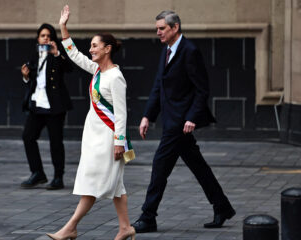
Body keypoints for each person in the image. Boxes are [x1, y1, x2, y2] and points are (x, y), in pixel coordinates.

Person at [132, 10, 236, 233]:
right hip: (171, 120)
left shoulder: (190, 51)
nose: (158, 32)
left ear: (175, 28)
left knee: (160, 166)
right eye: (157, 28)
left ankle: (148, 216)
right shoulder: (167, 51)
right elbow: (158, 86)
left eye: (162, 28)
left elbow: (202, 90)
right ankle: (222, 206)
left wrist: (191, 118)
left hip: (179, 123)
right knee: (198, 166)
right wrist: (147, 116)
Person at [45, 5, 135, 240]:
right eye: (91, 46)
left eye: (95, 46)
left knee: (94, 181)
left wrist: (119, 142)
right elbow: (74, 55)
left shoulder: (115, 77)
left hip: (107, 138)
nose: (91, 49)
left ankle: (71, 227)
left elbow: (122, 114)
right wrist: (63, 27)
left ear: (107, 49)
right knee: (116, 185)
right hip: (93, 135)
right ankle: (125, 228)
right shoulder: (97, 70)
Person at [20, 23, 73, 190]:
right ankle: (37, 173)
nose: (46, 38)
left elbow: (69, 68)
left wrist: (57, 53)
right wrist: (25, 77)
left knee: (55, 142)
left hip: (54, 105)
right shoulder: (34, 54)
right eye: (43, 36)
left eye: (49, 36)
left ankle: (58, 177)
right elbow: (33, 79)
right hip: (37, 103)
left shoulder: (57, 54)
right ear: (38, 38)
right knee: (28, 137)